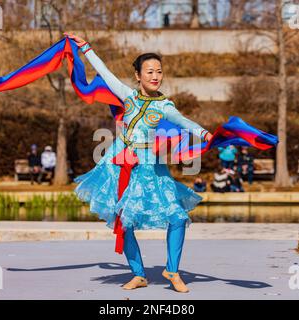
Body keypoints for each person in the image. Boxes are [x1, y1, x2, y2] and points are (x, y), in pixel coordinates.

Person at [65, 32, 213, 293]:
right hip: (121, 164)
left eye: (159, 71)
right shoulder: (127, 96)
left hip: (151, 167)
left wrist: (206, 135)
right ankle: (138, 274)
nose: (155, 76)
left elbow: (185, 123)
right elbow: (105, 72)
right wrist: (85, 47)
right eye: (149, 71)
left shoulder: (165, 106)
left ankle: (173, 270)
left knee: (177, 217)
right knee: (124, 220)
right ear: (138, 75)